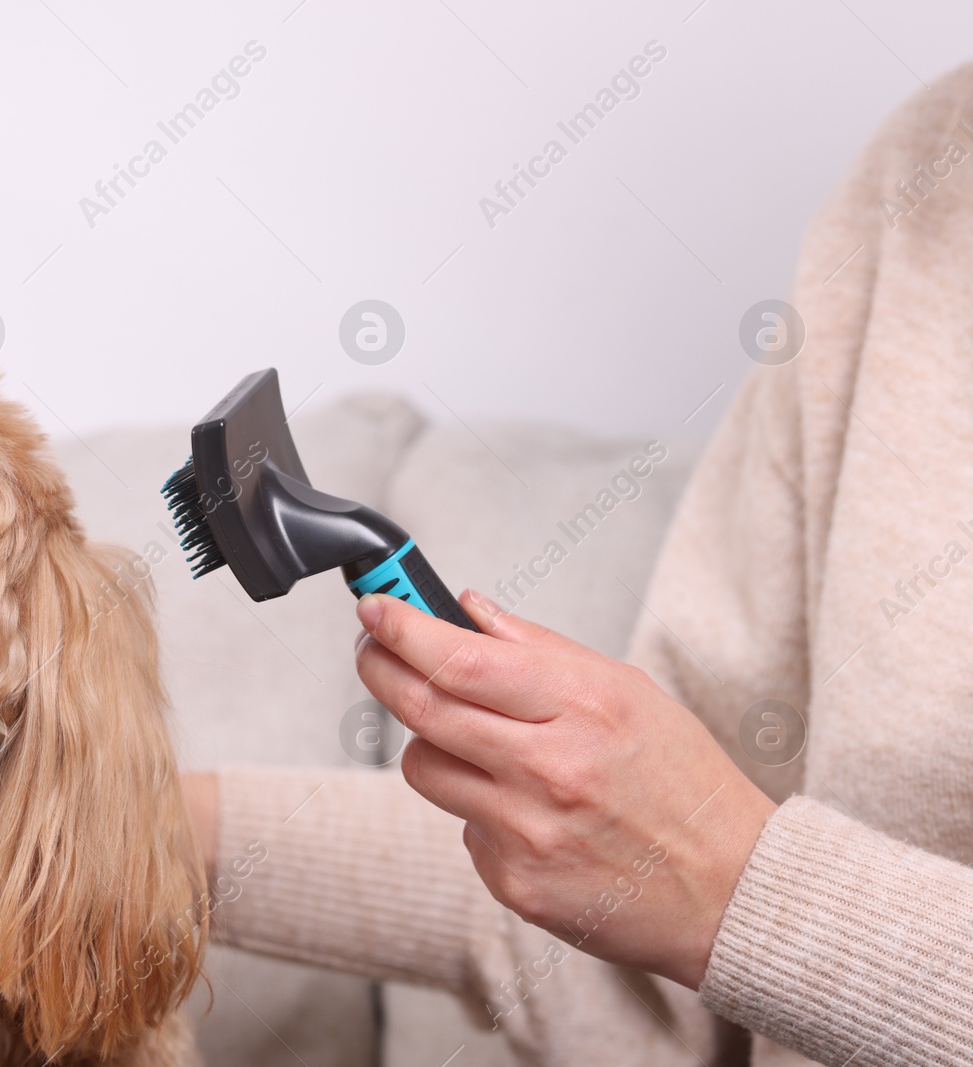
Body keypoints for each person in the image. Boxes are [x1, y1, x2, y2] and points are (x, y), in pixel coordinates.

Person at [184, 66, 973, 1067]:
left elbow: (713, 881)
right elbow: (637, 918)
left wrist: (738, 892)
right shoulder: (929, 170)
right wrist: (119, 821)